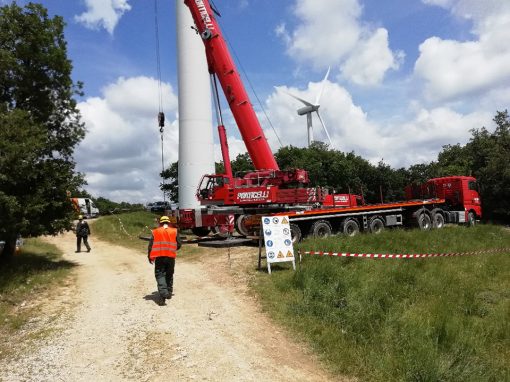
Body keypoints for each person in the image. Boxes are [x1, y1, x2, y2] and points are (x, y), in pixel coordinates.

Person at [148, 215, 182, 306]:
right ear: (169, 222)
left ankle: (163, 295)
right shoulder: (174, 231)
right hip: (171, 257)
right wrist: (171, 248)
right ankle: (169, 293)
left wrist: (150, 257)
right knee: (169, 274)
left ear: (160, 222)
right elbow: (179, 245)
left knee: (160, 275)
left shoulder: (155, 232)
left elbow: (151, 246)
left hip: (159, 257)